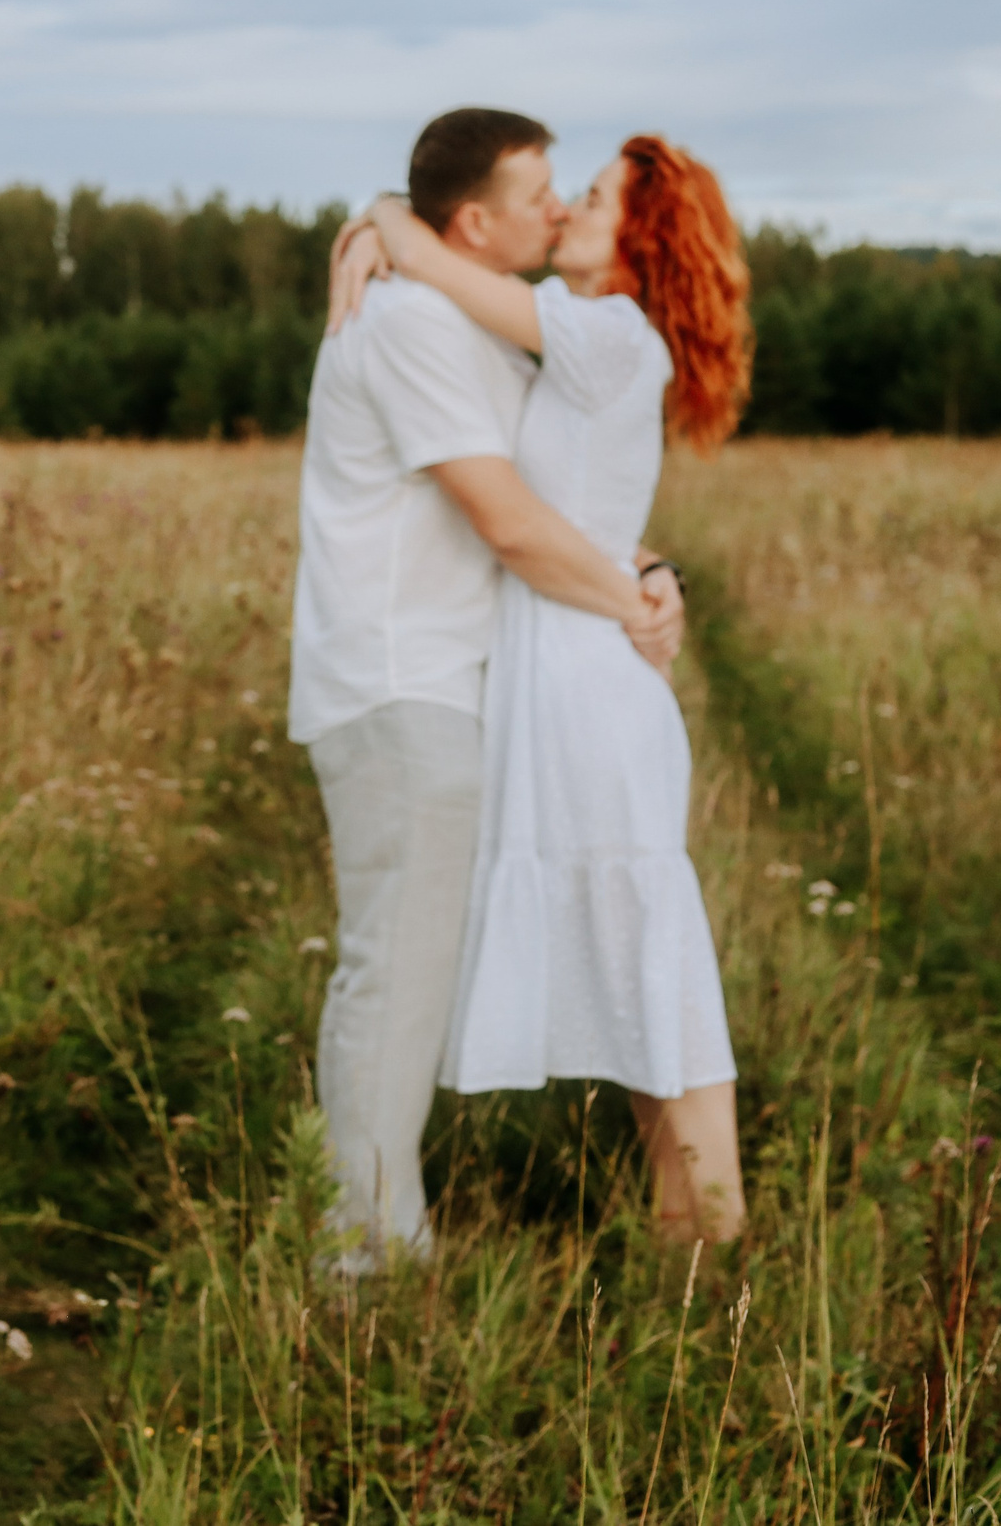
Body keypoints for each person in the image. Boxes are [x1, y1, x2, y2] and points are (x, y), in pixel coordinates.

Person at [288, 108, 686, 1273]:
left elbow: (565, 496)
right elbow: (510, 526)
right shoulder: (413, 323)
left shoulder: (471, 324)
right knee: (394, 964)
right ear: (474, 221)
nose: (557, 209)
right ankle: (364, 1255)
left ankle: (380, 1225)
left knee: (413, 962)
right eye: (538, 193)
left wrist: (642, 566)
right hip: (399, 682)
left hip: (443, 684)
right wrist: (633, 609)